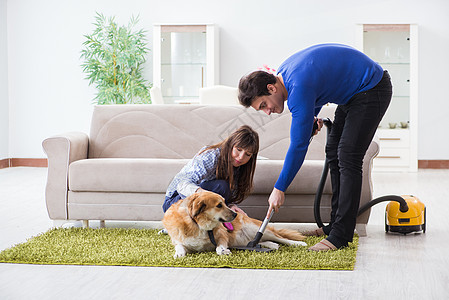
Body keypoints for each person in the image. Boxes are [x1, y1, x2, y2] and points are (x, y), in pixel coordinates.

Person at [238, 43, 392, 251]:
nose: (267, 111)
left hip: (371, 88)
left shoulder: (297, 89)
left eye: (264, 104)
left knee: (348, 156)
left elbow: (298, 145)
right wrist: (312, 117)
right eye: (262, 109)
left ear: (271, 88)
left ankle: (341, 235)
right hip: (353, 95)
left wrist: (279, 188)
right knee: (334, 152)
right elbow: (317, 87)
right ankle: (335, 226)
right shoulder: (286, 75)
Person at [162, 125, 259, 220]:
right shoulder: (212, 155)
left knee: (224, 189)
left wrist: (230, 206)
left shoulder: (239, 168)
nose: (241, 157)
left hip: (199, 205)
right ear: (230, 145)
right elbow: (182, 184)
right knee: (222, 186)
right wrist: (205, 195)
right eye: (238, 149)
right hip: (174, 203)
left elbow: (220, 198)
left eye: (247, 154)